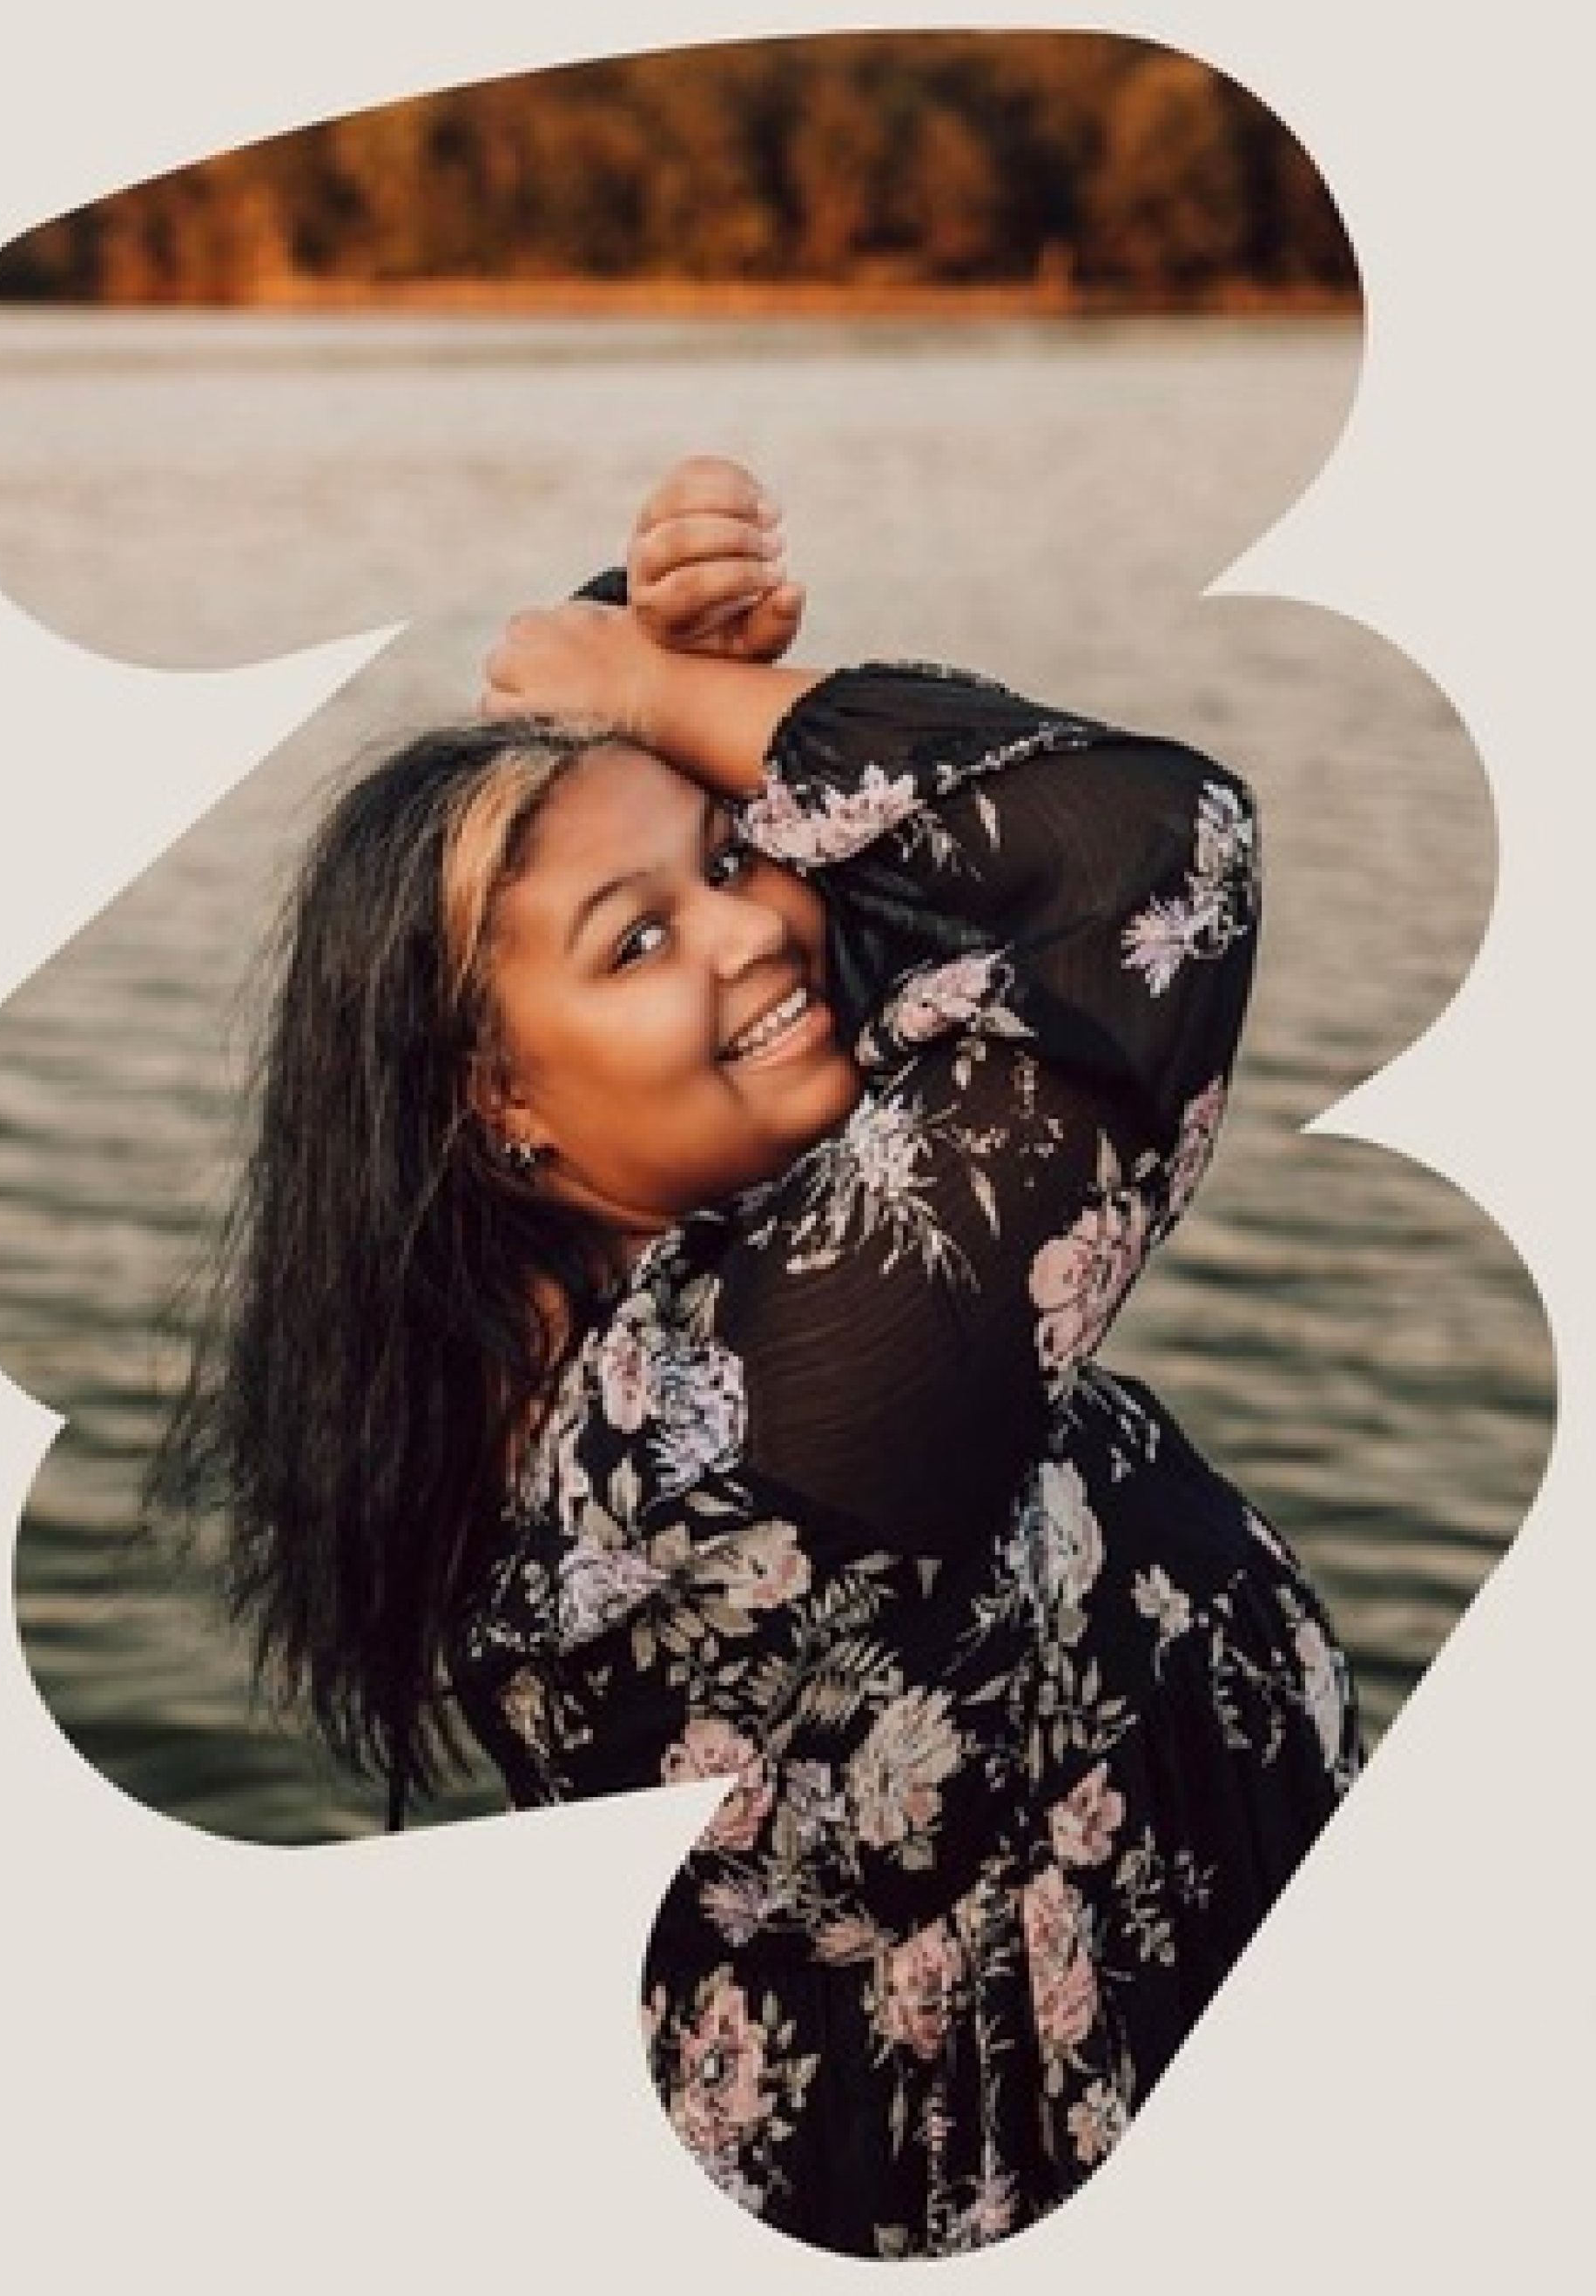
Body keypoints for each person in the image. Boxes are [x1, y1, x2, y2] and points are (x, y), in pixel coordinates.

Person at [152, 457, 1359, 2259]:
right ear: (494, 1110)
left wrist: (679, 702)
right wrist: (672, 706)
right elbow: (1146, 854)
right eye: (640, 937)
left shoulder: (587, 1333)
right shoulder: (756, 1425)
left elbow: (889, 974)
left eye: (729, 856)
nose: (752, 920)